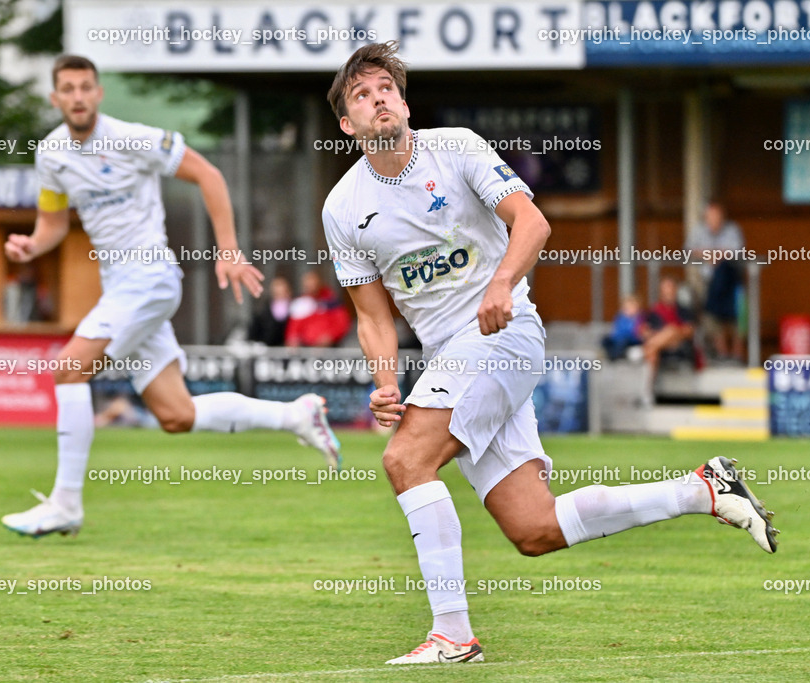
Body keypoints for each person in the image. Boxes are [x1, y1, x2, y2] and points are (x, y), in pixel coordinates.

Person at [321, 42, 778, 665]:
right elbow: (372, 315)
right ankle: (702, 489)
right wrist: (383, 381)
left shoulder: (455, 148)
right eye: (361, 94)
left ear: (404, 102)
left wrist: (503, 281)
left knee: (406, 460)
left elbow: (531, 222)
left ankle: (452, 635)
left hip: (503, 337)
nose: (377, 100)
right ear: (347, 124)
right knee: (534, 528)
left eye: (385, 89)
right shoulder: (343, 208)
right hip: (450, 359)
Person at [1, 55, 340, 539]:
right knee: (178, 415)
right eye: (67, 89)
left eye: (85, 87)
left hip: (150, 276)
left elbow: (209, 175)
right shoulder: (51, 155)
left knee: (69, 367)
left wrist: (229, 251)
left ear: (98, 93)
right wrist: (32, 245)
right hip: (120, 286)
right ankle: (295, 414)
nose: (77, 96)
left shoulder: (134, 138)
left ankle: (65, 504)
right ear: (55, 98)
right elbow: (53, 224)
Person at [685, 201, 745, 362]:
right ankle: (722, 354)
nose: (714, 220)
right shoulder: (698, 231)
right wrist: (710, 255)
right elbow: (689, 250)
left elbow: (736, 250)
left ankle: (737, 355)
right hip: (708, 282)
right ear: (705, 217)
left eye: (717, 216)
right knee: (712, 316)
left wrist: (717, 256)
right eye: (710, 216)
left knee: (739, 317)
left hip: (732, 281)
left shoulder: (732, 230)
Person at [639, 276, 696, 372]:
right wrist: (661, 336)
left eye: (671, 288)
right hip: (662, 346)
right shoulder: (654, 311)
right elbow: (645, 330)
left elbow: (689, 331)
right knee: (653, 352)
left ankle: (645, 349)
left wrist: (671, 334)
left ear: (676, 290)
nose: (668, 292)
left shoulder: (684, 311)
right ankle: (648, 385)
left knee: (671, 330)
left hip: (679, 344)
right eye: (666, 288)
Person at [283, 270, 352, 347]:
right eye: (307, 282)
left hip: (329, 348)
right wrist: (292, 337)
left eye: (312, 281)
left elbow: (342, 323)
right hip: (305, 348)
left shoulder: (331, 301)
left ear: (319, 282)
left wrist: (331, 336)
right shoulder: (300, 303)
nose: (309, 285)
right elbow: (294, 327)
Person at [247, 274, 292, 346]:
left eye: (282, 293)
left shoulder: (295, 312)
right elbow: (254, 334)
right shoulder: (262, 313)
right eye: (277, 294)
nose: (280, 297)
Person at [601, 293, 644, 361]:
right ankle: (611, 353)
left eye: (631, 308)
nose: (629, 310)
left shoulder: (638, 319)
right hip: (618, 339)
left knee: (623, 342)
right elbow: (616, 329)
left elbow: (635, 332)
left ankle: (616, 355)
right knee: (605, 340)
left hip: (631, 340)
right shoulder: (620, 317)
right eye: (626, 308)